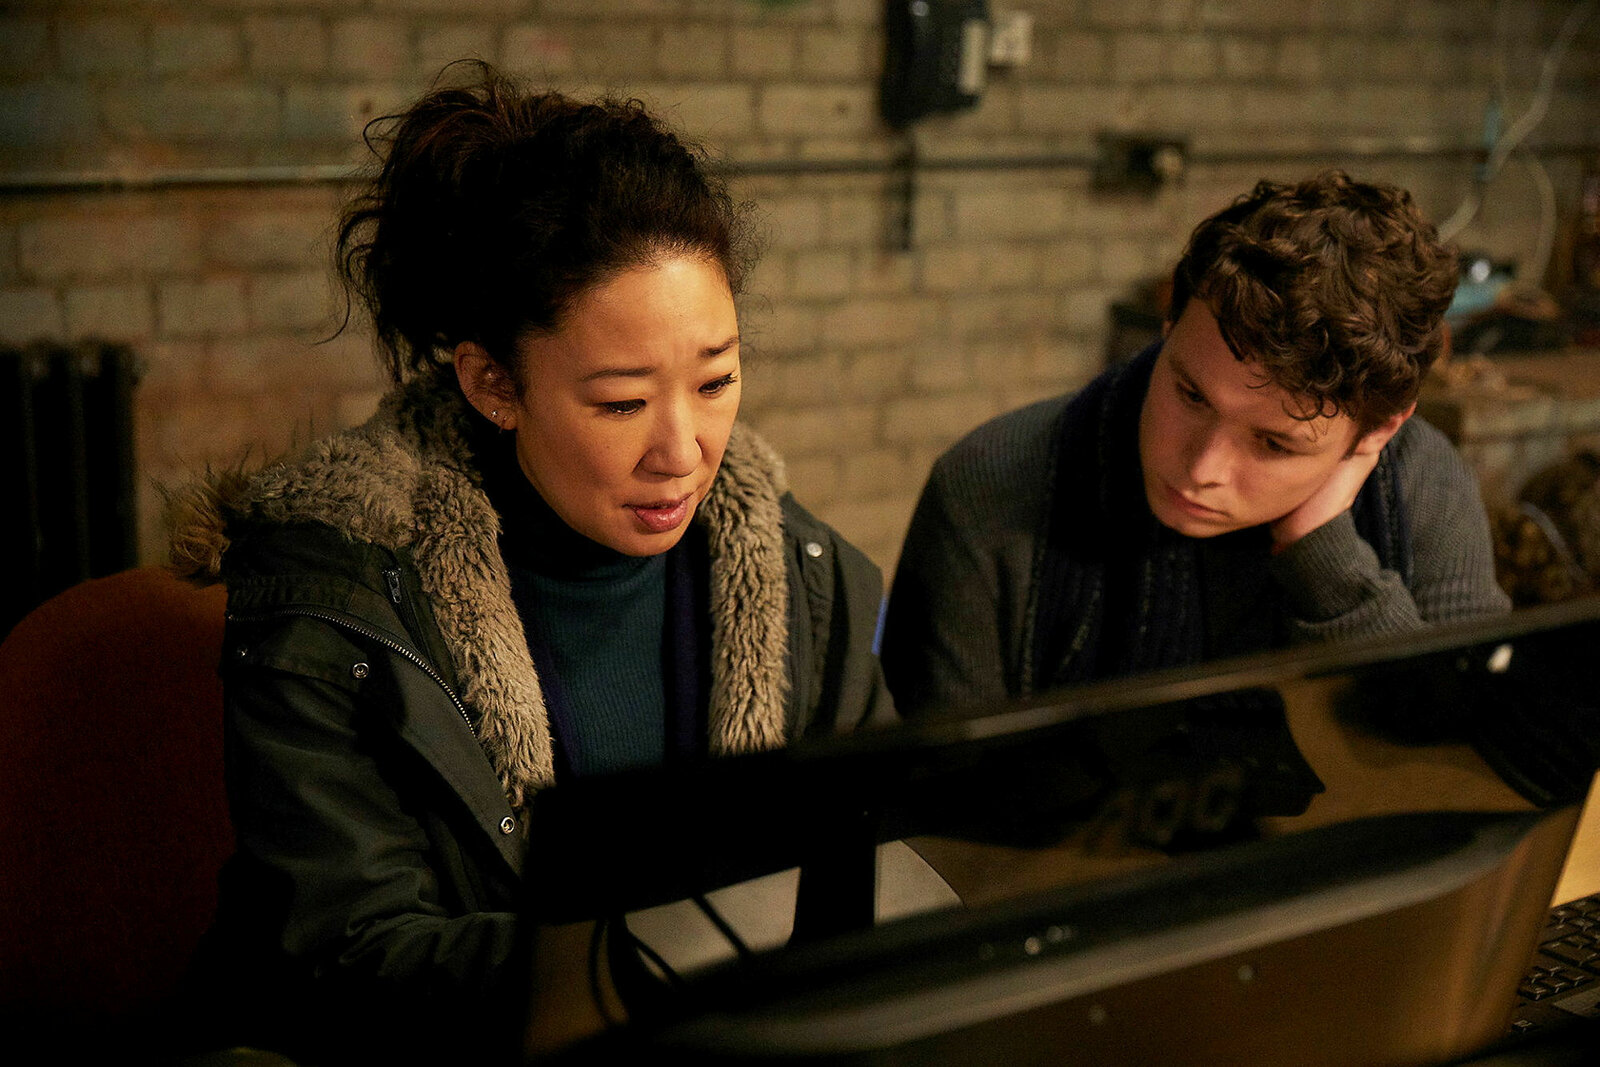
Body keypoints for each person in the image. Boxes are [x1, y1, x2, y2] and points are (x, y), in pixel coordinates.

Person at [167, 61, 893, 1063]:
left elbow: (879, 863)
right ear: (492, 384)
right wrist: (655, 958)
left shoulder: (803, 579)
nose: (682, 450)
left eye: (717, 379)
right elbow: (352, 956)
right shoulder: (340, 606)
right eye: (621, 402)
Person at [882, 170, 1511, 718]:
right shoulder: (993, 488)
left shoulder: (1420, 484)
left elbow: (1459, 757)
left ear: (1376, 433)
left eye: (1273, 444)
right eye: (1190, 395)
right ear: (1167, 328)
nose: (1202, 468)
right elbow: (942, 798)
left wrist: (1323, 552)